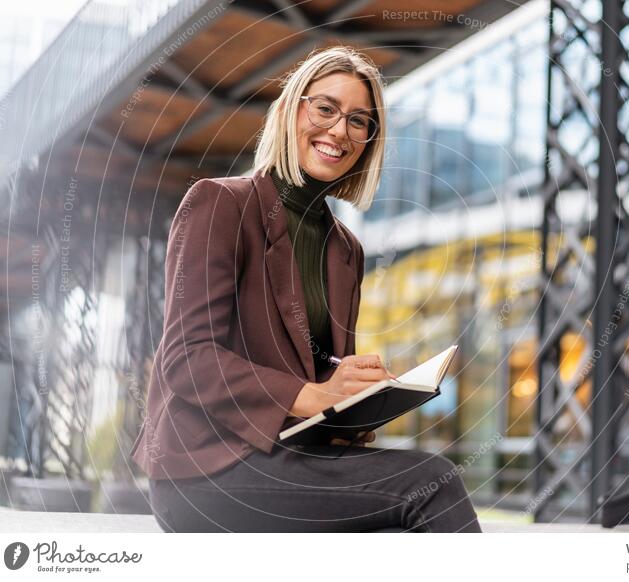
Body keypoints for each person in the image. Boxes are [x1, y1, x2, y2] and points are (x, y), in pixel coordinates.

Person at [130, 46, 481, 533]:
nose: (340, 130)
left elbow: (319, 374)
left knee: (417, 487)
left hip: (291, 456)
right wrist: (310, 396)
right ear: (292, 109)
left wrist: (357, 391)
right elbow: (187, 358)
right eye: (325, 109)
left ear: (367, 141)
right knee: (432, 482)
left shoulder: (345, 249)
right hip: (207, 470)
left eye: (359, 121)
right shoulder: (219, 204)